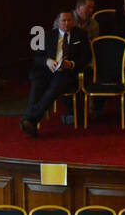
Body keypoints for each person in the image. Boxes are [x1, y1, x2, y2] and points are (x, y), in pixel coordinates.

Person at [21, 8, 91, 137]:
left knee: (53, 89)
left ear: (73, 21)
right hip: (48, 70)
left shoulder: (81, 35)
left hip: (67, 72)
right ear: (57, 22)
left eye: (69, 20)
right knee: (37, 83)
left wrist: (71, 64)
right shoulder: (48, 36)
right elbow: (37, 57)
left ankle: (29, 119)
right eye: (63, 20)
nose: (66, 23)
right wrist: (47, 61)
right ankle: (31, 121)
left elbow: (86, 57)